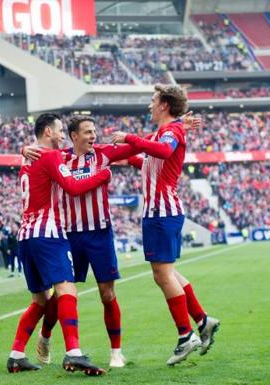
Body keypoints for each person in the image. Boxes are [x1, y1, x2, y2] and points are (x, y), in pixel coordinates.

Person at [21, 114, 148, 368]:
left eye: (94, 132)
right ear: (74, 136)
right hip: (70, 235)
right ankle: (45, 337)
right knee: (61, 292)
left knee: (107, 293)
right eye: (88, 132)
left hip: (100, 233)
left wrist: (132, 142)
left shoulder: (102, 154)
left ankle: (115, 352)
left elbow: (135, 147)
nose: (93, 136)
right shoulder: (60, 156)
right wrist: (23, 149)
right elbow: (36, 155)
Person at [110, 84, 219, 366]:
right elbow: (150, 161)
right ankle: (202, 321)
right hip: (159, 211)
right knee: (167, 272)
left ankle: (186, 335)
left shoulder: (170, 133)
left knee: (162, 275)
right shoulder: (164, 132)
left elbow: (164, 151)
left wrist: (130, 139)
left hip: (162, 211)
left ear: (164, 105)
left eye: (153, 100)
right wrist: (122, 156)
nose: (149, 105)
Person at [7, 113, 111, 375]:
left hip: (26, 235)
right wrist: (103, 175)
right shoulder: (50, 156)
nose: (63, 135)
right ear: (48, 132)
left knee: (40, 300)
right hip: (48, 233)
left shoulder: (28, 156)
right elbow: (73, 187)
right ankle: (74, 352)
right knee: (67, 289)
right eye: (60, 131)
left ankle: (16, 354)